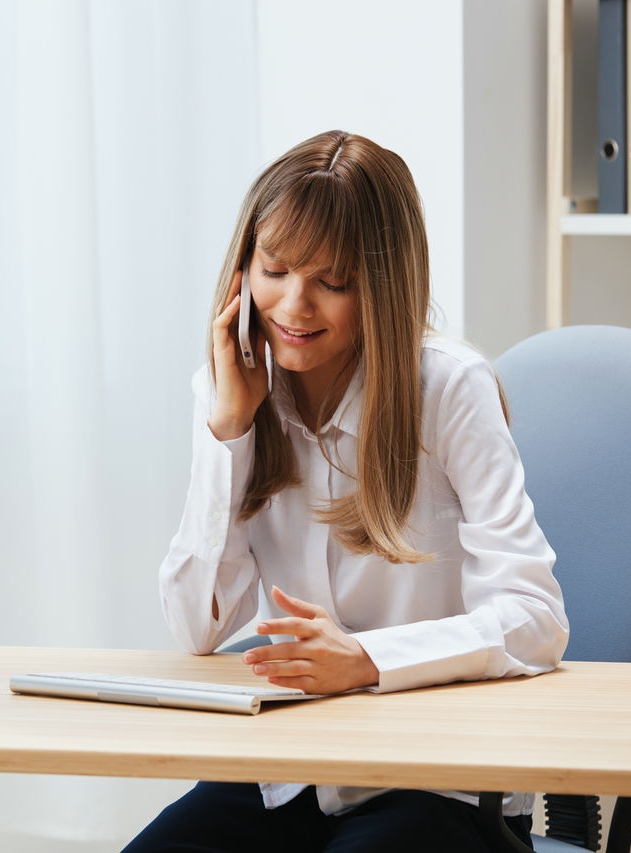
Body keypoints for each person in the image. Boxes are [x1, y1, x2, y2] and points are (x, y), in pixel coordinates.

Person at [124, 130, 568, 852]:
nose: (293, 305)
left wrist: (368, 659)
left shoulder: (450, 390)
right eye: (274, 269)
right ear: (243, 271)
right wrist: (228, 430)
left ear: (382, 289)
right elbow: (197, 625)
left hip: (435, 784)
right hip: (292, 774)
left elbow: (536, 619)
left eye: (332, 281)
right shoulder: (230, 394)